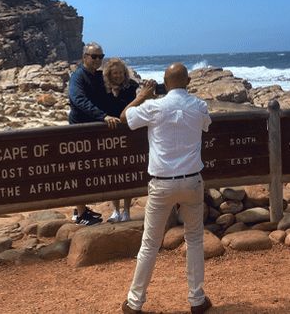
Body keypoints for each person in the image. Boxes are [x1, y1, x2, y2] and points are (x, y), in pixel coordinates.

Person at [119, 63, 213, 314]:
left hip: (161, 183)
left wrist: (142, 96)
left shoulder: (153, 107)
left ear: (164, 81)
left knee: (150, 244)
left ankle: (134, 302)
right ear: (189, 81)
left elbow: (124, 118)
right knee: (194, 240)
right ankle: (196, 299)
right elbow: (205, 124)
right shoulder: (199, 105)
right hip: (192, 179)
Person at [67, 42, 120, 226]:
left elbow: (121, 87)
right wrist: (104, 116)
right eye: (94, 56)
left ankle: (80, 209)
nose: (98, 60)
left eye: (100, 56)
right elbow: (79, 100)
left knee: (88, 169)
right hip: (79, 131)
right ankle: (81, 214)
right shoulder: (78, 77)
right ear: (84, 57)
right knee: (80, 171)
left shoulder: (98, 77)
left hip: (93, 130)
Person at [102, 58, 139, 222]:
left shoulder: (132, 86)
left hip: (128, 133)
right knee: (113, 173)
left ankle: (127, 212)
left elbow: (136, 106)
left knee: (128, 173)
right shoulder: (103, 89)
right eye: (114, 73)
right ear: (109, 74)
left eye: (120, 73)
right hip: (110, 134)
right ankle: (115, 210)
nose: (118, 76)